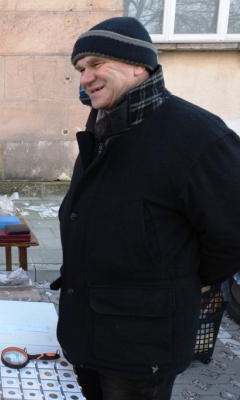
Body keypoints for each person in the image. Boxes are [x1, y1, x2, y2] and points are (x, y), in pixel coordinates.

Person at [55, 16, 240, 400]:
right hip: (88, 330)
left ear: (138, 64)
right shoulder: (103, 130)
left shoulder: (198, 136)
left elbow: (232, 232)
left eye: (94, 64)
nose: (85, 78)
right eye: (79, 69)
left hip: (142, 347)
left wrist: (186, 276)